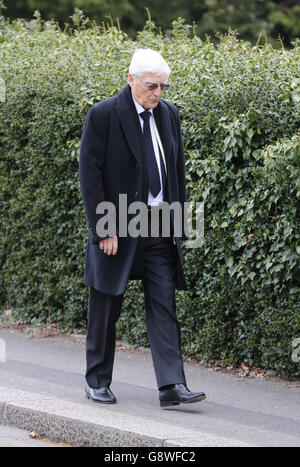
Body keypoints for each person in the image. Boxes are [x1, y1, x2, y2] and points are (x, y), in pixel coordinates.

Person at [79, 48, 206, 408]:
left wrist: (178, 227)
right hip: (116, 224)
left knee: (164, 304)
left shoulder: (169, 115)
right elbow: (90, 177)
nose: (158, 93)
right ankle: (97, 381)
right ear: (130, 78)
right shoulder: (103, 115)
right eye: (152, 86)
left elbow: (175, 174)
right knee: (106, 304)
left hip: (160, 225)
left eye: (163, 87)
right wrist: (104, 229)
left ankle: (171, 386)